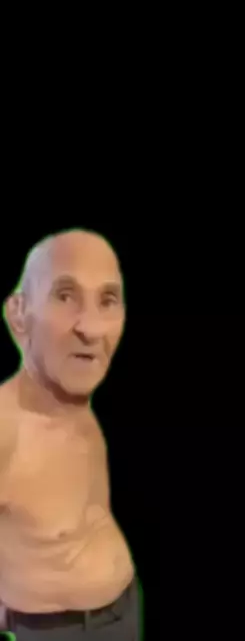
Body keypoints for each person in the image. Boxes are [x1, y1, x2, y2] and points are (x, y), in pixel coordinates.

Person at [0, 229, 142, 639]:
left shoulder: (74, 396)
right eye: (65, 296)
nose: (91, 328)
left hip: (124, 610)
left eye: (108, 300)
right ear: (18, 313)